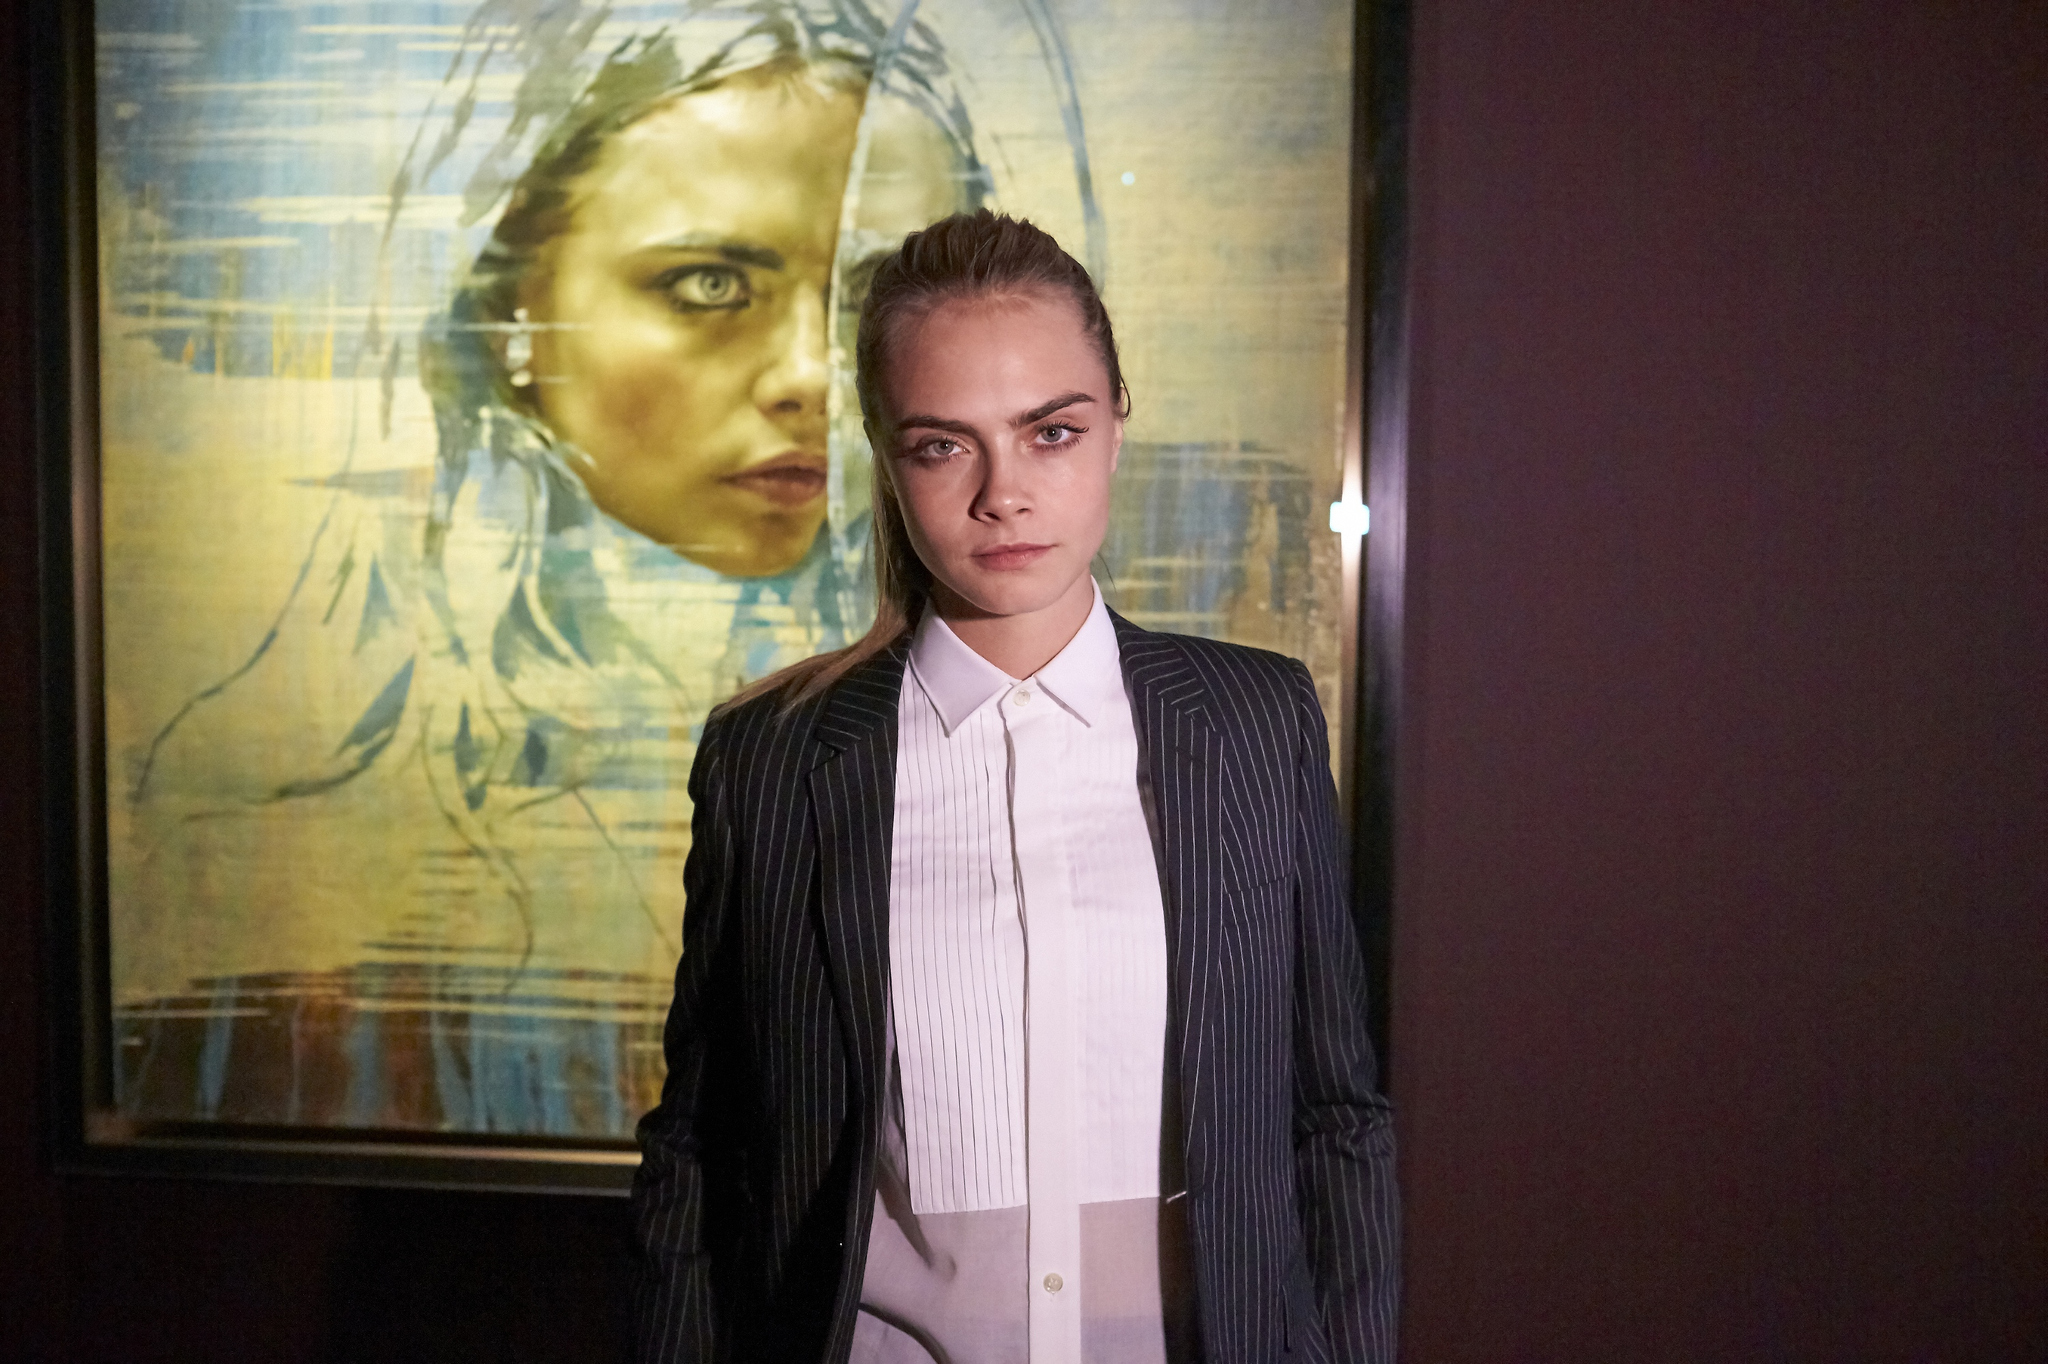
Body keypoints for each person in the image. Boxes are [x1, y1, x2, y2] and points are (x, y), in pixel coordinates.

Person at [632, 210, 1398, 1362]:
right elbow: (699, 1146)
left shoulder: (1252, 720)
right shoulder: (771, 758)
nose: (1003, 493)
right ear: (886, 457)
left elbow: (1333, 1113)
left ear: (1115, 423)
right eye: (943, 445)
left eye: (1050, 431)